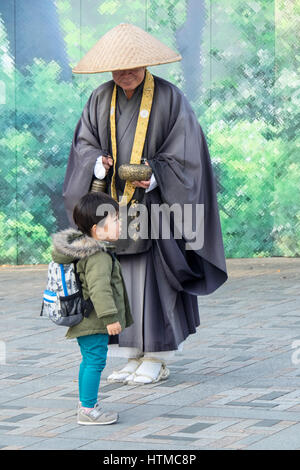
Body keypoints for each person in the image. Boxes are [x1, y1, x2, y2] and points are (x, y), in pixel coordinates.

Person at [63, 23, 228, 385]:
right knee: (117, 278)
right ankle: (131, 354)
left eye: (133, 67)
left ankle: (157, 355)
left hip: (157, 209)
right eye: (119, 69)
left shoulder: (170, 98)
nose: (126, 74)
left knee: (154, 279)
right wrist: (96, 162)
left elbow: (188, 153)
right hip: (113, 210)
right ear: (109, 68)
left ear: (146, 64)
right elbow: (83, 143)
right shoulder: (99, 99)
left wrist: (155, 175)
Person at [51, 191, 133, 425]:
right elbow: (99, 289)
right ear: (97, 230)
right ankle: (87, 410)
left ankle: (86, 404)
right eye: (115, 220)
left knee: (90, 360)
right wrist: (110, 318)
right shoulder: (98, 255)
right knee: (95, 361)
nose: (119, 224)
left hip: (87, 317)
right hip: (94, 320)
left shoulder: (88, 250)